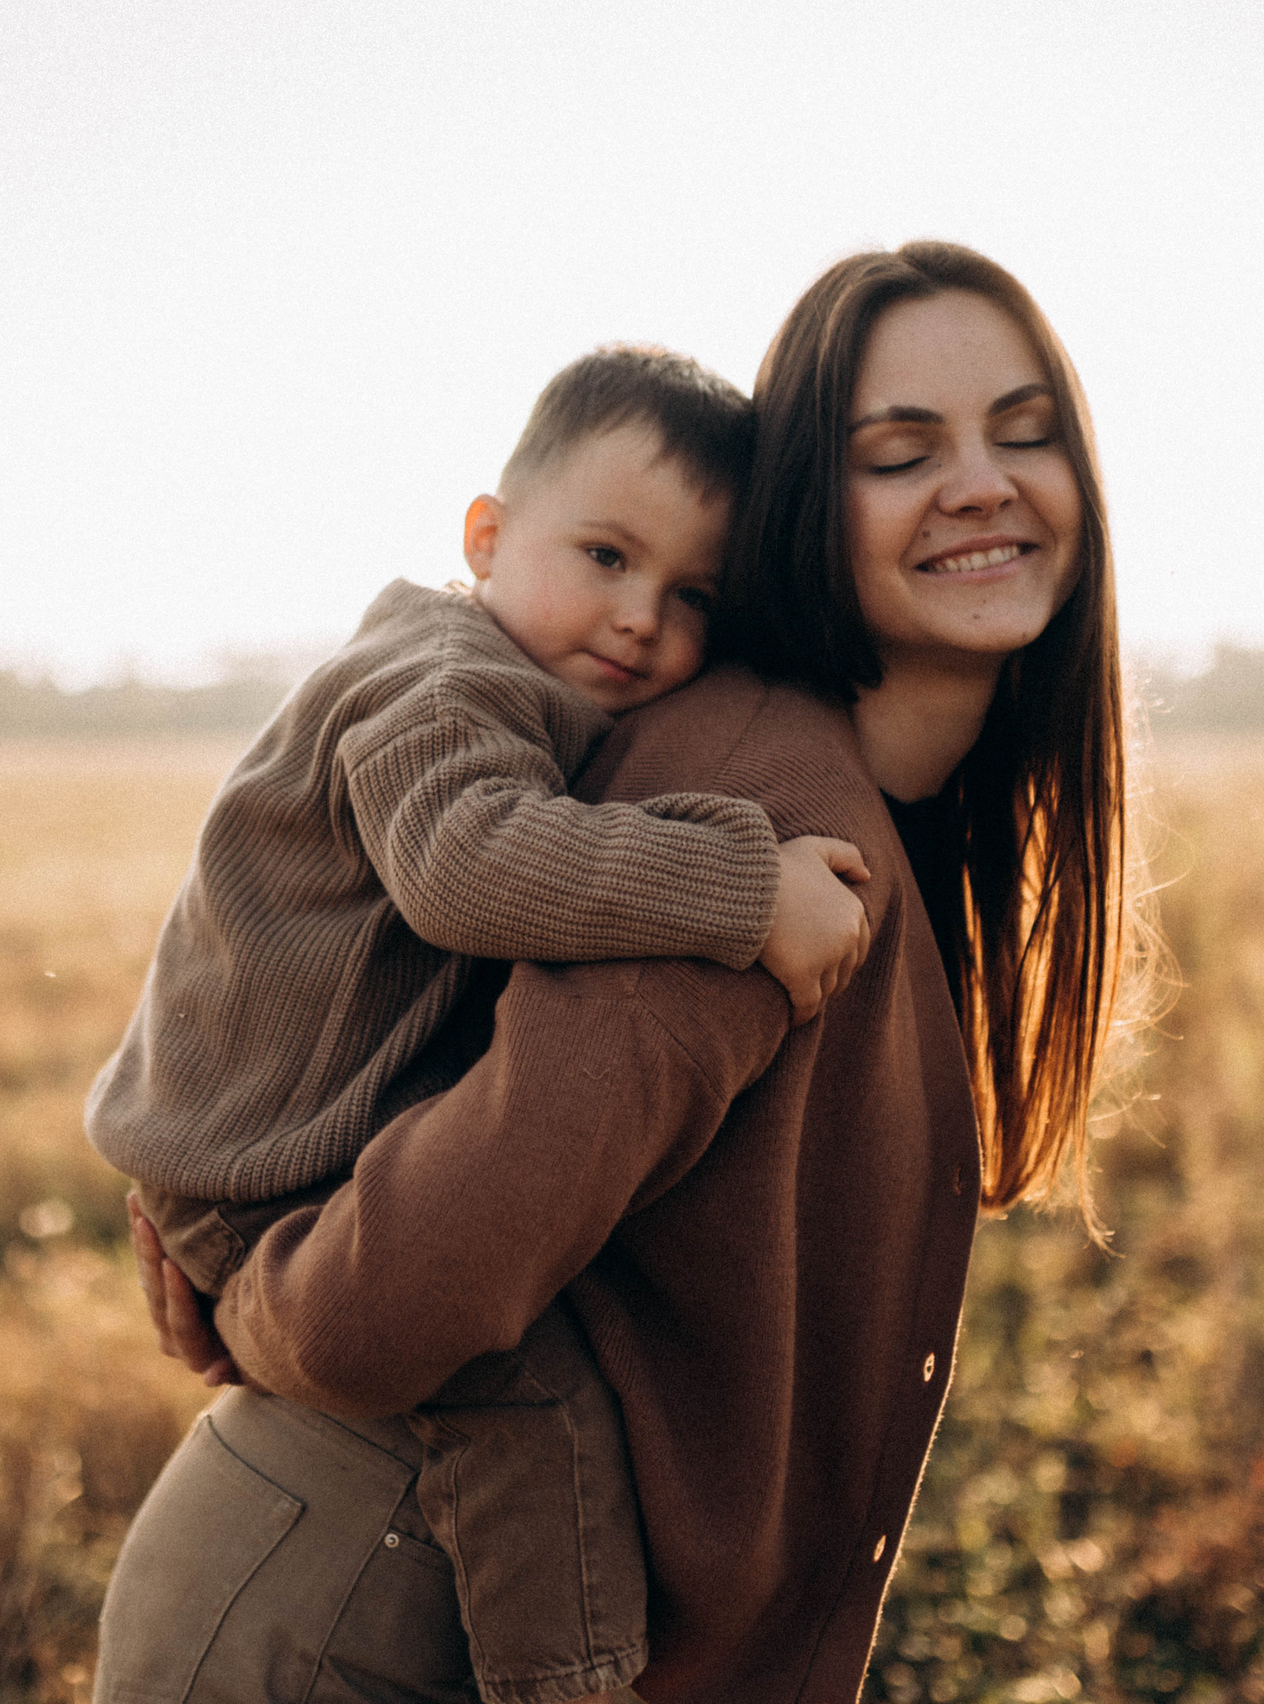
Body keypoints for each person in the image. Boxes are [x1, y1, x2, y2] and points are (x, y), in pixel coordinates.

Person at [105, 241, 1154, 1703]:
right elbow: (385, 1301)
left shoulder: (868, 820)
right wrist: (246, 1295)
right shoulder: (750, 824)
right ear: (808, 510)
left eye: (1025, 431)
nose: (980, 482)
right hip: (351, 1619)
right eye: (903, 452)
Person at [86, 344, 876, 1704]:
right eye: (608, 556)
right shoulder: (437, 685)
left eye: (694, 596)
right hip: (259, 1176)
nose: (641, 619)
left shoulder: (514, 681)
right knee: (531, 1408)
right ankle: (563, 1684)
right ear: (487, 537)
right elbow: (469, 865)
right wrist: (742, 888)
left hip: (275, 1153)